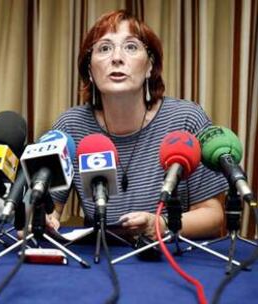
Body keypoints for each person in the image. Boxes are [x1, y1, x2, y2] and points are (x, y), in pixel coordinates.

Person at [49, 10, 228, 240]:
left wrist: (160, 225)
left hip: (167, 258)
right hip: (99, 259)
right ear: (90, 71)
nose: (117, 58)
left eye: (131, 47)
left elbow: (212, 215)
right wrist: (41, 218)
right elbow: (50, 210)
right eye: (104, 48)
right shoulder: (71, 126)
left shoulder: (186, 120)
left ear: (150, 67)